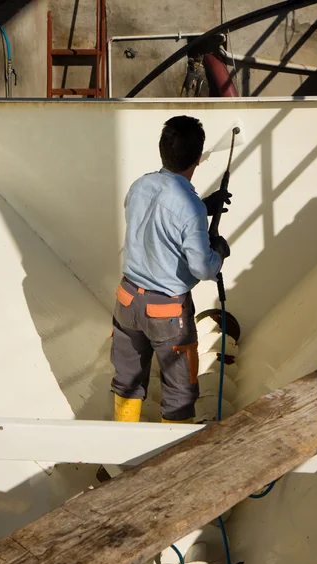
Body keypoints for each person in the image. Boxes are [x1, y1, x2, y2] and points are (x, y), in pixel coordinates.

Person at [111, 115, 231, 424]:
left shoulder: (140, 186)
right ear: (198, 159)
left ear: (163, 150)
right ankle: (174, 467)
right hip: (166, 313)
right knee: (179, 395)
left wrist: (204, 205)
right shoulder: (188, 207)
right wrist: (219, 252)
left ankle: (122, 451)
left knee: (127, 381)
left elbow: (156, 219)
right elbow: (203, 268)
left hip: (127, 302)